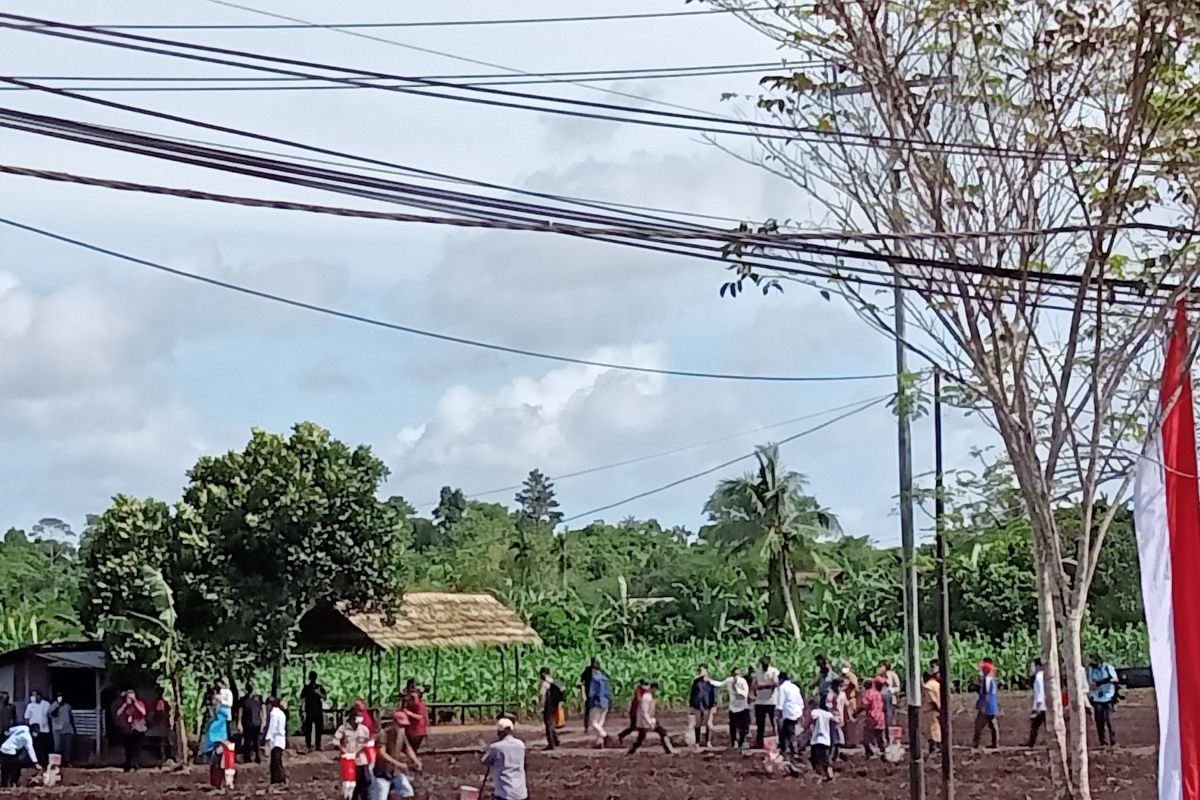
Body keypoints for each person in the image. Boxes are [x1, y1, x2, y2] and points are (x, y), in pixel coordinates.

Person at [372, 710, 422, 800]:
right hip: (382, 773)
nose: (402, 728)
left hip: (395, 773)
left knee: (408, 792)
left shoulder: (401, 733)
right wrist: (398, 763)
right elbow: (382, 753)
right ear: (394, 723)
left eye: (404, 726)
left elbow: (407, 748)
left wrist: (415, 760)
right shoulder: (383, 734)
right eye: (401, 725)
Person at [481, 718, 527, 800]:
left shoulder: (496, 747)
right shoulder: (520, 745)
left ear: (499, 732)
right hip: (521, 793)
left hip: (505, 793)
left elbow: (485, 761)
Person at [333, 707, 372, 800]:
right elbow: (336, 741)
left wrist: (360, 750)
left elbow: (367, 743)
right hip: (348, 761)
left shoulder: (364, 729)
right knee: (350, 786)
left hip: (361, 760)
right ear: (352, 717)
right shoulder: (343, 728)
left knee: (366, 782)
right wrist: (344, 750)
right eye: (358, 716)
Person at [626, 682, 675, 755]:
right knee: (662, 732)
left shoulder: (649, 696)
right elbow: (644, 712)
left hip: (646, 721)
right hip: (645, 721)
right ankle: (669, 749)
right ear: (653, 688)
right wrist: (650, 722)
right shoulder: (646, 698)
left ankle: (631, 750)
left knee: (641, 737)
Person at [201, 704, 235, 790]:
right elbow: (214, 737)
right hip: (215, 748)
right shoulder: (216, 724)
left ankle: (221, 783)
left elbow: (223, 735)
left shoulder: (222, 724)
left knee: (223, 766)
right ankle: (216, 784)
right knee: (217, 766)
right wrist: (224, 742)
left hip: (222, 748)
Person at [1088, 654, 1119, 747]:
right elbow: (1091, 684)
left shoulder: (1108, 668)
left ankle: (1113, 741)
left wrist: (1104, 681)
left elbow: (1115, 679)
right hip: (1097, 698)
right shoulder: (1092, 670)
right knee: (1099, 721)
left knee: (1110, 720)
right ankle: (1103, 741)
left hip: (1108, 697)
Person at [718, 666, 751, 750]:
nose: (736, 676)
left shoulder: (743, 682)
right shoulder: (729, 681)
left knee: (743, 726)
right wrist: (709, 681)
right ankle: (734, 742)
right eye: (735, 674)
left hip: (743, 708)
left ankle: (741, 741)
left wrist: (735, 688)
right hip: (733, 708)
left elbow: (744, 695)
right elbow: (720, 684)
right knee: (733, 726)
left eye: (738, 674)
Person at [116, 689, 147, 772]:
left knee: (137, 748)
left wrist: (135, 702)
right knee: (128, 749)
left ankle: (137, 766)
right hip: (128, 730)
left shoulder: (139, 703)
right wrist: (125, 705)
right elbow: (118, 714)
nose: (128, 699)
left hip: (138, 729)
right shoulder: (126, 706)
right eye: (127, 697)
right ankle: (128, 765)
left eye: (130, 697)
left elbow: (144, 713)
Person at [752, 656, 780, 748]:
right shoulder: (757, 671)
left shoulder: (774, 671)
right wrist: (756, 690)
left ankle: (778, 741)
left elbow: (776, 683)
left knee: (774, 722)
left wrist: (762, 686)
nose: (765, 666)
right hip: (760, 701)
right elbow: (754, 684)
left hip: (771, 701)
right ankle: (759, 742)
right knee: (760, 724)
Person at [776, 672, 805, 759]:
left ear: (781, 679)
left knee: (789, 732)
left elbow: (781, 701)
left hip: (789, 712)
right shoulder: (795, 687)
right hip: (797, 711)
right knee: (785, 731)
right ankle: (785, 749)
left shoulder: (782, 687)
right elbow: (800, 701)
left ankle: (794, 751)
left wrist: (779, 713)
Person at [688, 664, 718, 748]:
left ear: (706, 671)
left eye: (701, 670)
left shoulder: (710, 682)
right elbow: (692, 693)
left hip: (707, 704)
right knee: (698, 723)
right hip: (698, 705)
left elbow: (714, 694)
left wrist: (714, 705)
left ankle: (708, 742)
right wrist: (691, 704)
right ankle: (697, 742)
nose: (700, 672)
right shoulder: (696, 681)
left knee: (708, 723)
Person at [973, 659, 1000, 749]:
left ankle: (976, 743)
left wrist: (984, 706)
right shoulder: (991, 678)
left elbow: (986, 693)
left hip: (987, 706)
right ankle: (995, 743)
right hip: (992, 705)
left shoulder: (987, 679)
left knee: (979, 724)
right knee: (992, 724)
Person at [806, 700, 835, 782]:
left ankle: (820, 775)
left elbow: (812, 718)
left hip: (817, 739)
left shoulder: (814, 712)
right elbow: (835, 719)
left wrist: (807, 725)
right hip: (826, 740)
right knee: (826, 759)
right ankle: (830, 774)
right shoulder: (827, 714)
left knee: (816, 759)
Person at [586, 661, 612, 748]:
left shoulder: (594, 678)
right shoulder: (605, 678)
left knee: (594, 722)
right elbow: (608, 691)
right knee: (600, 724)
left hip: (596, 702)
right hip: (605, 702)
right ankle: (599, 743)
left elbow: (592, 692)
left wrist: (589, 701)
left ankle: (605, 736)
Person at [860, 677, 887, 760]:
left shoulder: (867, 694)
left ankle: (870, 754)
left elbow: (865, 705)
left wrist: (855, 713)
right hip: (880, 718)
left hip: (871, 718)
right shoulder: (879, 694)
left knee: (866, 738)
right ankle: (883, 753)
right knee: (880, 737)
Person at [537, 668, 563, 751]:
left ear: (543, 673)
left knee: (548, 723)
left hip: (548, 704)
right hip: (554, 704)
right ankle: (555, 740)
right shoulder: (553, 681)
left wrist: (541, 706)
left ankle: (551, 743)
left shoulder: (545, 683)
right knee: (551, 722)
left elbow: (542, 695)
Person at [301, 671, 327, 752]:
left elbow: (325, 697)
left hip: (318, 710)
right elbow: (302, 698)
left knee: (319, 728)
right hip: (309, 710)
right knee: (308, 729)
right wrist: (302, 710)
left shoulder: (319, 687)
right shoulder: (306, 688)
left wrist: (319, 693)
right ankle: (308, 745)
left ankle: (318, 745)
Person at [23, 690, 51, 765]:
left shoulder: (46, 704)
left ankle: (44, 762)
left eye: (35, 695)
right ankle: (35, 762)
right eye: (32, 696)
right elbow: (27, 717)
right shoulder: (30, 705)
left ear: (39, 696)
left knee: (44, 747)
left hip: (44, 730)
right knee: (34, 747)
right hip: (34, 730)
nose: (33, 697)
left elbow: (49, 715)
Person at [265, 697, 288, 786]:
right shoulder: (281, 713)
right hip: (281, 738)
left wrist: (268, 737)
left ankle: (278, 778)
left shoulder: (274, 713)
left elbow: (273, 726)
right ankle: (277, 778)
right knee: (277, 760)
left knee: (276, 761)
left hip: (276, 739)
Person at [240, 682, 264, 764]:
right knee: (248, 741)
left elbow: (262, 710)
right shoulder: (244, 699)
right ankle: (248, 758)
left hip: (255, 722)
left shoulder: (258, 699)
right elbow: (241, 711)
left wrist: (263, 720)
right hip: (249, 722)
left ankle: (257, 757)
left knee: (255, 741)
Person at [1027, 659, 1047, 747]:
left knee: (1034, 725)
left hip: (1040, 705)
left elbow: (1040, 692)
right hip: (1045, 705)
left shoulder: (1039, 676)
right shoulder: (1045, 676)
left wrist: (1038, 705)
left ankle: (1031, 743)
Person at [49, 693, 74, 765]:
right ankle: (57, 763)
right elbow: (51, 714)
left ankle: (67, 761)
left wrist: (73, 728)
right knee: (57, 747)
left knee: (67, 747)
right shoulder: (53, 705)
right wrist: (57, 706)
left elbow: (71, 718)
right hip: (57, 729)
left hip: (67, 729)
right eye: (58, 697)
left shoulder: (67, 706)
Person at [401, 687, 427, 754]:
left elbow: (420, 717)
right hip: (411, 731)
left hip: (417, 732)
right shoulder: (410, 705)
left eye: (413, 698)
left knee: (410, 750)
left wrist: (410, 713)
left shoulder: (420, 705)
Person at [923, 670, 943, 755]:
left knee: (932, 730)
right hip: (937, 709)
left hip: (931, 710)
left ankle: (935, 748)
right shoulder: (938, 685)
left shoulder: (928, 686)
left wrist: (938, 709)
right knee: (937, 729)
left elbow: (932, 700)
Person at [827, 678, 848, 760]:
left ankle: (835, 755)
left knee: (837, 738)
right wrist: (833, 717)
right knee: (835, 737)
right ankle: (833, 755)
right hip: (834, 718)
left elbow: (846, 704)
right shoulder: (831, 695)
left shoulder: (842, 694)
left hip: (840, 718)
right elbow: (829, 708)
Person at [878, 661, 901, 734]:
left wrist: (891, 690)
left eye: (882, 666)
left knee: (889, 714)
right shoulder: (880, 676)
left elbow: (898, 687)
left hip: (890, 697)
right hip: (881, 697)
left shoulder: (893, 675)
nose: (880, 668)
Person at [579, 659, 596, 735]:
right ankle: (588, 727)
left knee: (590, 711)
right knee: (589, 711)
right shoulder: (590, 671)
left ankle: (590, 727)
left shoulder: (589, 670)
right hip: (590, 693)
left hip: (592, 693)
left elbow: (581, 681)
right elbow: (582, 681)